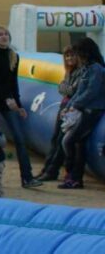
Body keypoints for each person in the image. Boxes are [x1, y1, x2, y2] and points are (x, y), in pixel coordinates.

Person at [0, 26, 41, 188]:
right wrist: (7, 98)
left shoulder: (13, 56)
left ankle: (27, 177)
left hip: (8, 103)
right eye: (0, 35)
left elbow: (13, 83)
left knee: (20, 139)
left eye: (6, 34)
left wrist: (18, 105)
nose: (3, 37)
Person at [57, 38, 105, 189]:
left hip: (93, 110)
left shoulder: (96, 69)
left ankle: (73, 175)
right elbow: (79, 91)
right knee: (78, 143)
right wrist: (69, 106)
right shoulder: (86, 68)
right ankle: (74, 177)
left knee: (68, 141)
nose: (77, 56)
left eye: (78, 53)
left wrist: (75, 105)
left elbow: (91, 92)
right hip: (84, 109)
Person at [33, 46, 77, 182]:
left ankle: (52, 170)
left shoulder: (79, 72)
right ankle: (47, 169)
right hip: (64, 105)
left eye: (72, 55)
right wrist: (66, 88)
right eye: (67, 56)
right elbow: (62, 89)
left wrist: (65, 88)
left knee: (60, 140)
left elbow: (70, 90)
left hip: (71, 108)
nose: (69, 58)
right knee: (55, 139)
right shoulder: (69, 72)